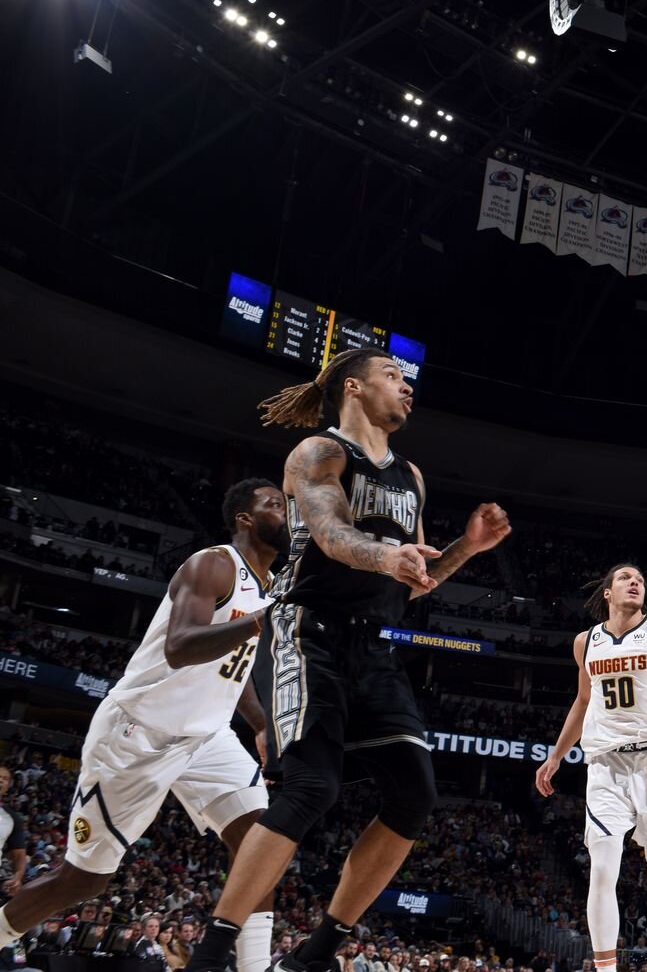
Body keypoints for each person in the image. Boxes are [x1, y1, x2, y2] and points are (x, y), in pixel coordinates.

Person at [184, 349, 511, 972]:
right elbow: (333, 535)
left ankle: (316, 955)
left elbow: (414, 578)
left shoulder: (411, 478)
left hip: (371, 643)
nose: (407, 385)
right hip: (306, 631)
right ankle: (211, 953)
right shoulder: (318, 454)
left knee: (416, 791)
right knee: (314, 785)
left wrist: (466, 549)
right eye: (394, 374)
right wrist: (388, 557)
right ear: (353, 388)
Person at [0, 480, 290, 972]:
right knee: (83, 880)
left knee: (261, 841)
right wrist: (262, 622)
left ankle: (255, 968)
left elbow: (230, 666)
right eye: (275, 505)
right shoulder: (212, 564)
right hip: (138, 733)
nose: (287, 513)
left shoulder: (266, 588)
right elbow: (181, 648)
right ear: (245, 517)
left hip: (206, 735)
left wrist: (260, 724)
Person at [534, 564, 647, 972]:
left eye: (640, 580)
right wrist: (555, 755)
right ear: (607, 592)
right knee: (602, 866)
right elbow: (583, 702)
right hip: (606, 763)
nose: (635, 583)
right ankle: (605, 968)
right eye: (625, 578)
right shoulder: (586, 642)